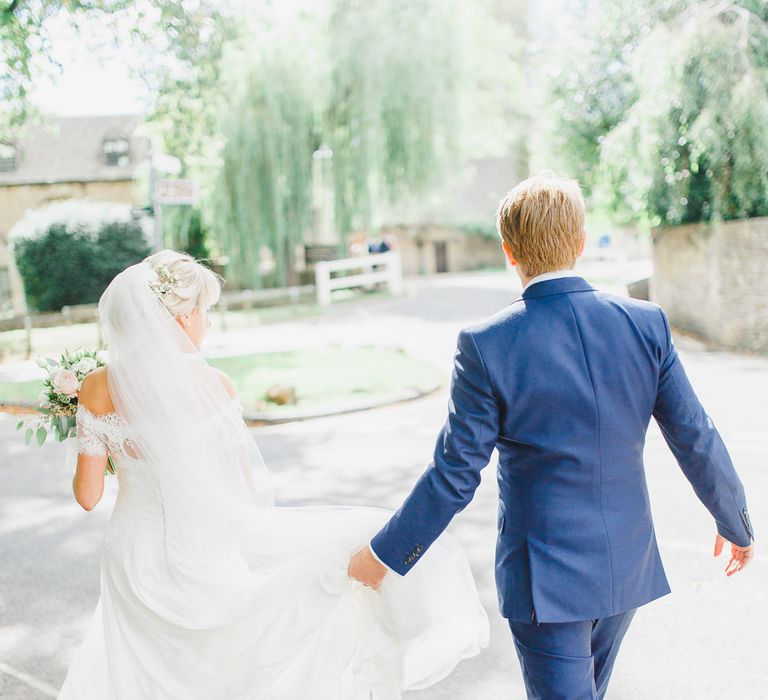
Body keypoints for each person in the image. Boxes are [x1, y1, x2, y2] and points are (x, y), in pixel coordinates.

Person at [348, 171, 754, 699]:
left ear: (508, 251)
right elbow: (694, 434)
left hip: (547, 582)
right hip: (624, 567)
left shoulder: (486, 344)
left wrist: (383, 557)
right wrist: (734, 520)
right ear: (581, 243)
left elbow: (454, 475)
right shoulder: (645, 323)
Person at [58, 250, 488, 699]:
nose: (205, 324)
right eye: (204, 313)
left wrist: (108, 447)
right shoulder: (215, 387)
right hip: (201, 550)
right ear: (182, 317)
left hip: (133, 553)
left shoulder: (96, 386)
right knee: (222, 665)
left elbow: (88, 495)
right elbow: (242, 490)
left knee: (139, 671)